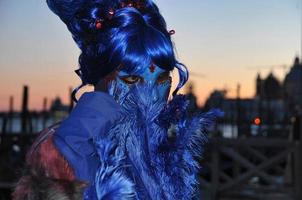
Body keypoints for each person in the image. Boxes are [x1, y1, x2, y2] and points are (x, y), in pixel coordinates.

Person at [13, 0, 223, 199]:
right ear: (101, 80)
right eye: (132, 79)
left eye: (161, 79)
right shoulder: (71, 147)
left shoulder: (160, 150)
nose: (150, 96)